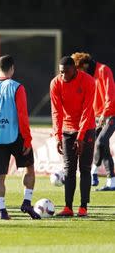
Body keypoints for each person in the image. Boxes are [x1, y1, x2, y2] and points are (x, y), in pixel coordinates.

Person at [0, 55, 40, 220]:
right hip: (16, 135)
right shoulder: (16, 87)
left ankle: (2, 210)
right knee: (29, 169)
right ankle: (27, 202)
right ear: (12, 68)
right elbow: (22, 115)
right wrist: (27, 139)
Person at [50, 56, 96, 217]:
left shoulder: (89, 81)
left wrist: (81, 136)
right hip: (67, 131)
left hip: (87, 129)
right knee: (69, 170)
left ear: (75, 69)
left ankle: (83, 207)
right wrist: (57, 136)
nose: (63, 76)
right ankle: (68, 207)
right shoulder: (56, 83)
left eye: (66, 72)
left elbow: (87, 110)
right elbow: (56, 112)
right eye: (61, 72)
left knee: (85, 169)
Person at [71, 52, 115, 191]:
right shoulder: (85, 77)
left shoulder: (103, 70)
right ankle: (111, 182)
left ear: (84, 65)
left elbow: (110, 95)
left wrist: (104, 114)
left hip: (110, 115)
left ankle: (93, 172)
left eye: (78, 69)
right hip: (96, 116)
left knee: (100, 142)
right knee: (104, 148)